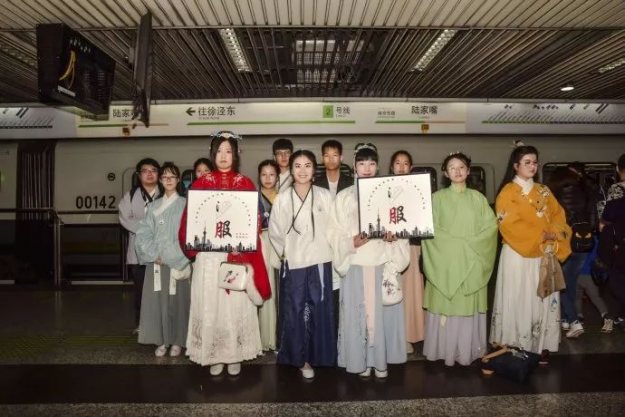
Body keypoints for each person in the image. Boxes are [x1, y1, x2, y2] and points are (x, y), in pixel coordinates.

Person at [178, 132, 271, 376]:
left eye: (228, 151)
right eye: (219, 151)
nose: (223, 156)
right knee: (211, 305)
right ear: (212, 154)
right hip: (208, 258)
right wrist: (196, 245)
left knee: (234, 306)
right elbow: (189, 221)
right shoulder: (200, 185)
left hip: (235, 256)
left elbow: (254, 221)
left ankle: (234, 354)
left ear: (236, 155)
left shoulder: (245, 183)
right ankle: (214, 354)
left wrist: (243, 243)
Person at [329, 143, 410, 378]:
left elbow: (400, 224)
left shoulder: (389, 193)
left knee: (380, 314)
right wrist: (351, 242)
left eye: (372, 163)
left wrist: (394, 238)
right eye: (362, 163)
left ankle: (380, 361)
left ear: (377, 166)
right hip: (355, 262)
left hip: (381, 261)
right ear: (354, 166)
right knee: (358, 314)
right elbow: (333, 232)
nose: (367, 168)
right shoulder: (344, 197)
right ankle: (361, 360)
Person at [490, 144, 571, 356]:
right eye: (527, 162)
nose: (532, 166)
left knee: (541, 297)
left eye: (535, 162)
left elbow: (559, 216)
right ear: (515, 166)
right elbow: (508, 224)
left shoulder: (544, 191)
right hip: (517, 253)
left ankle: (540, 344)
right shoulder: (507, 192)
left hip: (543, 253)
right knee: (520, 296)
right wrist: (541, 236)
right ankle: (516, 344)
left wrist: (554, 233)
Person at [421, 152, 498, 366]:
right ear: (446, 173)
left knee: (467, 308)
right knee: (446, 307)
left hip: (472, 262)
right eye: (452, 167)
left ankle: (467, 351)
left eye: (461, 167)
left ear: (468, 171)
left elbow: (491, 228)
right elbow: (431, 229)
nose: (457, 171)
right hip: (445, 264)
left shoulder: (478, 199)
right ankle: (443, 351)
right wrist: (460, 245)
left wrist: (469, 244)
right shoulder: (437, 199)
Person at [269, 150, 336, 379]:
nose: (302, 170)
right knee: (295, 310)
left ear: (314, 169)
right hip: (294, 262)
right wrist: (286, 254)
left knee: (319, 308)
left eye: (307, 165)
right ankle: (300, 358)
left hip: (320, 260)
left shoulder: (324, 195)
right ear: (291, 169)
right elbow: (275, 232)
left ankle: (320, 355)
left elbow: (333, 228)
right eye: (297, 166)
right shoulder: (282, 198)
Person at [135, 163, 191, 357]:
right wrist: (154, 255)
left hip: (178, 262)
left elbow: (188, 235)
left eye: (172, 176)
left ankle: (178, 340)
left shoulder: (185, 205)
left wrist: (173, 257)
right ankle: (161, 340)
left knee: (178, 303)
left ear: (178, 180)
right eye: (165, 176)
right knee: (158, 303)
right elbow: (143, 234)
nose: (168, 180)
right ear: (160, 180)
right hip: (157, 262)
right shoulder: (153, 206)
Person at [547, 166, 597, 338]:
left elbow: (552, 220)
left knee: (561, 285)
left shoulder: (553, 194)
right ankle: (565, 319)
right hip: (584, 243)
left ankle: (574, 322)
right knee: (571, 283)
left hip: (564, 243)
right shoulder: (586, 191)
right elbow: (593, 220)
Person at [314, 139, 353, 338]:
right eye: (327, 155)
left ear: (341, 157)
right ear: (322, 158)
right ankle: (328, 333)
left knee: (346, 290)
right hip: (322, 244)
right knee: (327, 290)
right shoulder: (315, 184)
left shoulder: (351, 183)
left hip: (345, 243)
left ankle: (344, 334)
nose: (330, 159)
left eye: (335, 155)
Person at [118, 158, 162, 333]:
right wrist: (148, 229)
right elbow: (124, 218)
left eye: (153, 170)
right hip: (138, 253)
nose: (149, 174)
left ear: (158, 174)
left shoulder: (166, 194)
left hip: (161, 252)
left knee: (160, 290)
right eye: (145, 171)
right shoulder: (130, 196)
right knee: (141, 291)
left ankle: (161, 323)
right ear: (138, 175)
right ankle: (142, 324)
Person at [388, 150, 425, 354]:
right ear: (391, 167)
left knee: (411, 292)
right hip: (389, 246)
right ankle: (393, 335)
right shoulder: (383, 189)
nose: (401, 167)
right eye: (397, 163)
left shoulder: (417, 191)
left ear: (410, 167)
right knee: (391, 290)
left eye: (405, 163)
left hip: (411, 246)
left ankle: (409, 335)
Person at [258, 159, 280, 351]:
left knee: (280, 290)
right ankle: (264, 338)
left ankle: (278, 336)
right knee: (264, 287)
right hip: (261, 244)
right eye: (264, 174)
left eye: (272, 174)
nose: (267, 178)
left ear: (277, 177)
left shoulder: (284, 197)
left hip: (280, 245)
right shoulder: (253, 198)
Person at [601, 153, 625, 329]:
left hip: (620, 242)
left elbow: (608, 215)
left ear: (618, 169)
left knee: (616, 279)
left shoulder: (616, 189)